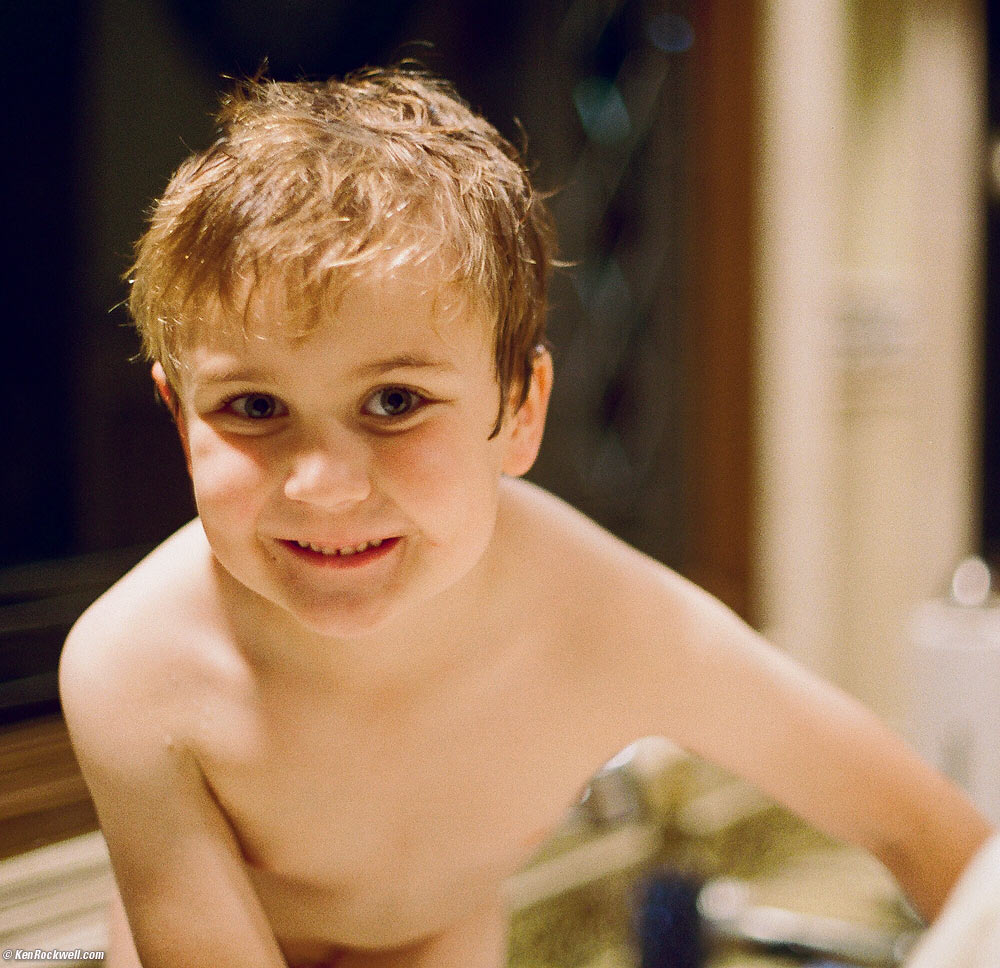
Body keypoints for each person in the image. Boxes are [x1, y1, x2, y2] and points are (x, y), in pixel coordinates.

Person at [59, 66, 992, 968]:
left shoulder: (608, 620)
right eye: (253, 408)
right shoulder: (139, 676)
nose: (325, 486)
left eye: (394, 401)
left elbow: (925, 830)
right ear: (180, 420)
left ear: (522, 410)